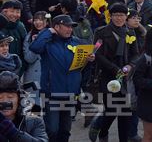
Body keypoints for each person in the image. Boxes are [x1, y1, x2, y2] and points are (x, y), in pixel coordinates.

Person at [30, 14, 94, 142]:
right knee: (52, 129)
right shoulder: (47, 42)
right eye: (67, 26)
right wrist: (48, 31)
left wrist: (90, 59)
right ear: (57, 27)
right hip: (51, 92)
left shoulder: (76, 42)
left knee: (65, 130)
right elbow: (34, 47)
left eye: (71, 26)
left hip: (71, 93)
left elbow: (82, 66)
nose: (70, 29)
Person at [91, 3, 139, 142]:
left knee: (125, 114)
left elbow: (136, 54)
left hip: (125, 78)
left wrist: (130, 65)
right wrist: (115, 69)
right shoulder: (101, 32)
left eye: (122, 15)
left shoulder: (130, 32)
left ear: (126, 17)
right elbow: (98, 54)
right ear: (110, 17)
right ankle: (103, 130)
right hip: (108, 77)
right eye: (116, 15)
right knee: (111, 110)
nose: (119, 18)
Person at [0, 71, 48, 141]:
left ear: (19, 99)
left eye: (10, 97)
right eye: (0, 98)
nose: (5, 101)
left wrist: (13, 133)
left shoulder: (34, 121)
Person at [22, 11, 48, 110]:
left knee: (48, 107)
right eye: (35, 20)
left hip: (48, 76)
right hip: (33, 77)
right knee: (33, 108)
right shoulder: (29, 37)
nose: (38, 22)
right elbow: (29, 58)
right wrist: (35, 44)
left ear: (47, 21)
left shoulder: (53, 36)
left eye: (41, 20)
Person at [0, 1, 27, 67]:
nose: (15, 14)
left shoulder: (20, 26)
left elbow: (25, 46)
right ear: (4, 11)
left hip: (16, 66)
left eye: (18, 12)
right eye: (12, 11)